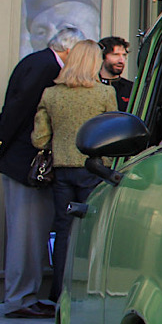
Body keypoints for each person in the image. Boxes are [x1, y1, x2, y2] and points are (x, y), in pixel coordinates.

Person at [0, 28, 80, 318]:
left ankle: (23, 295)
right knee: (27, 234)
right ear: (69, 49)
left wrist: (2, 144)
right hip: (26, 163)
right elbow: (18, 109)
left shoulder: (37, 62)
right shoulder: (45, 67)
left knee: (28, 233)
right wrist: (1, 144)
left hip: (19, 160)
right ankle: (21, 299)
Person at [32, 40, 117, 304]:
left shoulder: (51, 94)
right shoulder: (104, 95)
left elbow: (39, 139)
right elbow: (114, 135)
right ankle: (90, 291)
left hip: (62, 171)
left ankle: (60, 292)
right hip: (94, 170)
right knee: (94, 230)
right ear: (94, 62)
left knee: (63, 230)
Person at [98, 35, 133, 112]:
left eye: (124, 55)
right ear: (103, 56)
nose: (121, 60)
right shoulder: (91, 86)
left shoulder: (132, 89)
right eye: (116, 55)